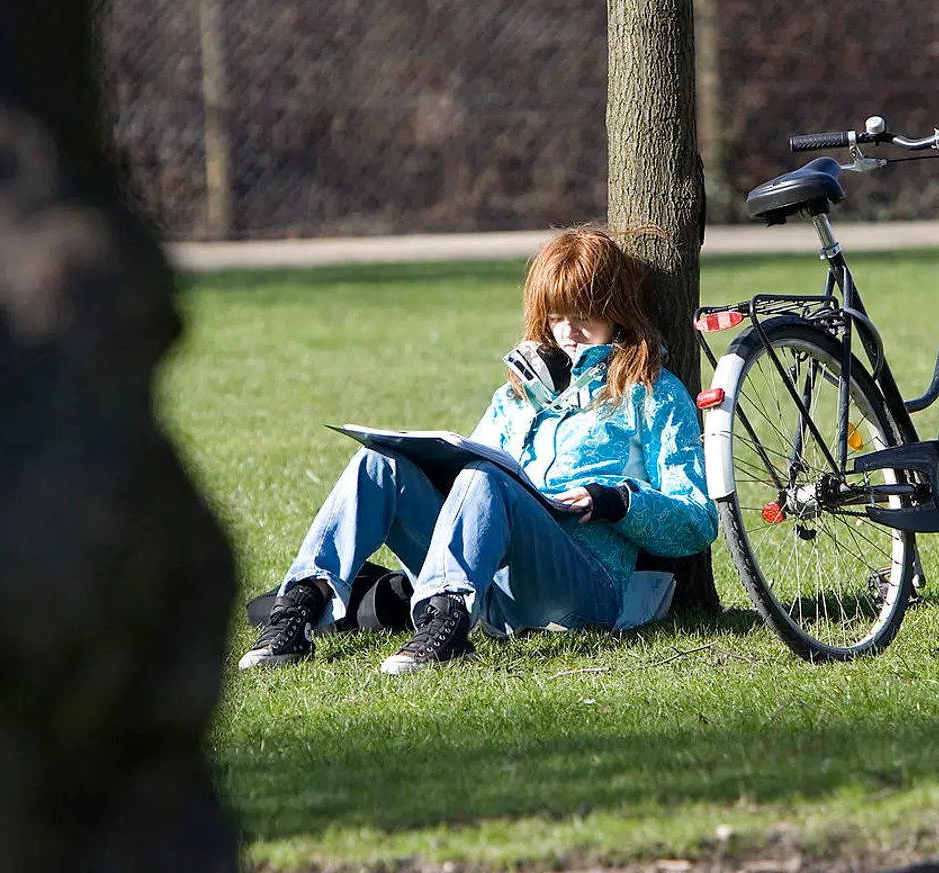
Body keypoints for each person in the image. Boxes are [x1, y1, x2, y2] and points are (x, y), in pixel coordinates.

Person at [240, 225, 718, 674]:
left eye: (584, 315)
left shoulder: (653, 392)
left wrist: (616, 500)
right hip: (491, 581)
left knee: (485, 478)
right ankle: (297, 610)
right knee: (380, 462)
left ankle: (446, 627)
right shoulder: (516, 394)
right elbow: (474, 485)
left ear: (618, 310)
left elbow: (698, 521)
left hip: (585, 586)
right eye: (556, 316)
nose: (568, 330)